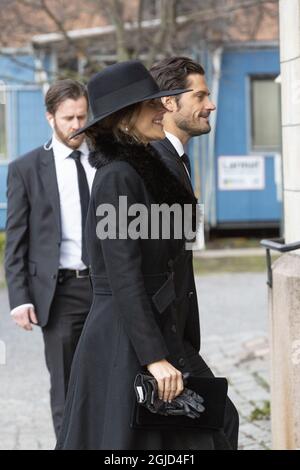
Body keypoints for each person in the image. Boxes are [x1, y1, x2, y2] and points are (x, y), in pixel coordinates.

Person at [55, 60, 236, 450]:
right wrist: (153, 356)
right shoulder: (118, 176)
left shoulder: (140, 170)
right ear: (124, 119)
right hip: (125, 338)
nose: (162, 109)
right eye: (151, 104)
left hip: (148, 329)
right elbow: (123, 275)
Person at [150, 56, 239, 449]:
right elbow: (138, 264)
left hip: (174, 331)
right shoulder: (152, 163)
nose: (211, 104)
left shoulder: (178, 160)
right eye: (200, 95)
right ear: (169, 103)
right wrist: (157, 351)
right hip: (161, 334)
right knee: (220, 422)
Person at [5, 79, 95, 438]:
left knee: (114, 375)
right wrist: (20, 297)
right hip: (60, 293)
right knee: (66, 386)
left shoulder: (107, 160)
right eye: (68, 118)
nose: (77, 125)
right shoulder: (26, 168)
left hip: (108, 286)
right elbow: (17, 239)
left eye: (82, 116)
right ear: (50, 118)